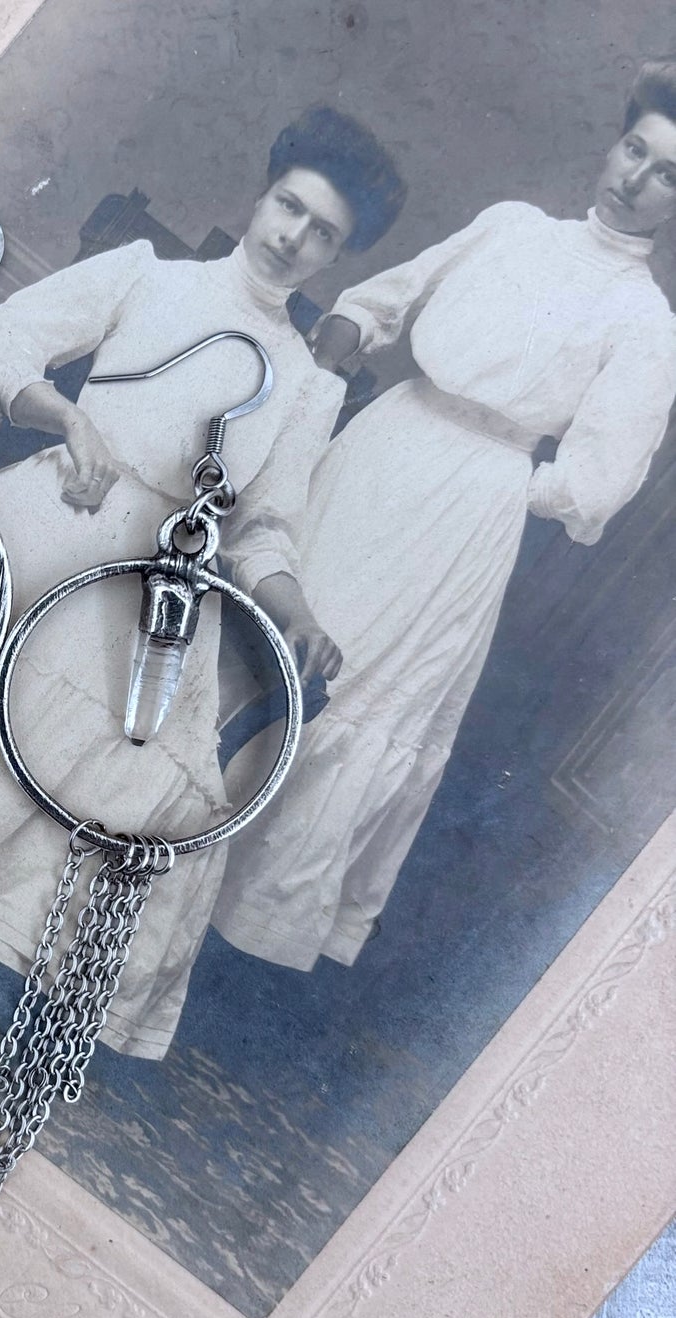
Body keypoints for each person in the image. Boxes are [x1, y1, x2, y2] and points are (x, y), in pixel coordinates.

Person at [0, 108, 405, 1058]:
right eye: (288, 205)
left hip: (158, 574)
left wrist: (295, 604)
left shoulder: (304, 384)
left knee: (120, 745)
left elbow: (265, 525)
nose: (292, 238)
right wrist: (64, 417)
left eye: (323, 233)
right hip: (60, 506)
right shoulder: (152, 275)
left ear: (339, 256)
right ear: (261, 192)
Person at [212, 62, 676, 972]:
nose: (633, 178)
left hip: (466, 510)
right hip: (382, 442)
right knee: (270, 617)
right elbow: (390, 296)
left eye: (667, 173)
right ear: (614, 140)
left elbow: (594, 484)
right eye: (635, 149)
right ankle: (151, 847)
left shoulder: (645, 320)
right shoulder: (511, 226)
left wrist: (496, 481)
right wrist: (349, 327)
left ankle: (241, 930)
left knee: (351, 687)